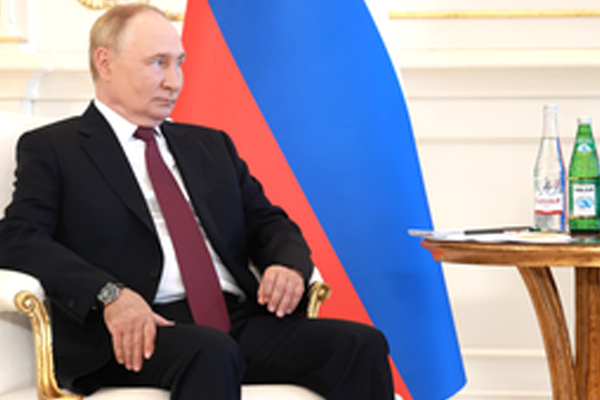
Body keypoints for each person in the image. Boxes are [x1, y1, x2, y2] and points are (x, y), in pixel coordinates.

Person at [0, 4, 394, 400]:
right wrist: (109, 294)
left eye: (179, 63)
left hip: (234, 319)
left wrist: (287, 264)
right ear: (105, 63)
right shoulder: (55, 149)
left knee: (360, 344)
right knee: (211, 351)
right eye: (158, 63)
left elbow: (269, 223)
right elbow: (18, 237)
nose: (174, 82)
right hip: (136, 330)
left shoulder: (211, 145)